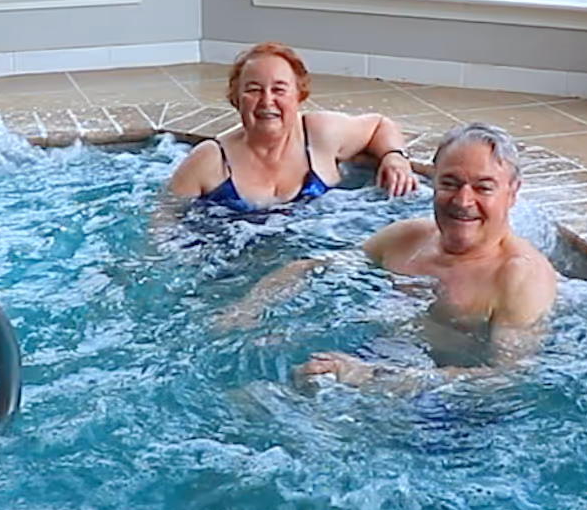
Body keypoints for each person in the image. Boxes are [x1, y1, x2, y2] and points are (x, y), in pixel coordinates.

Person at [226, 122, 558, 387]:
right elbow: (313, 267)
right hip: (383, 361)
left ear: (512, 193)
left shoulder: (519, 278)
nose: (463, 201)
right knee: (248, 400)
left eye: (483, 187)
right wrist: (248, 309)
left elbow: (506, 379)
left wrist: (371, 377)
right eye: (450, 183)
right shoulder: (408, 238)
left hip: (448, 412)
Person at [164, 42, 419, 214]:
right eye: (253, 90)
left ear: (298, 95)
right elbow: (164, 223)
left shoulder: (319, 133)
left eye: (279, 89)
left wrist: (395, 157)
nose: (267, 101)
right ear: (236, 98)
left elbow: (379, 125)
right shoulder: (210, 160)